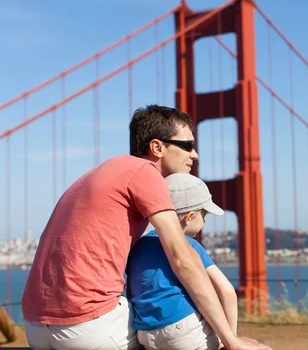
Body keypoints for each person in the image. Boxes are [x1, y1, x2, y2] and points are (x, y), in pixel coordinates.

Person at [21, 105, 270, 350]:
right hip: (89, 327)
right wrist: (232, 341)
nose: (195, 155)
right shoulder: (145, 174)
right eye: (187, 145)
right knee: (186, 336)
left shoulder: (99, 172)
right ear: (157, 147)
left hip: (35, 327)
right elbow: (184, 260)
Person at [127, 173, 238, 350]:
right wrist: (231, 340)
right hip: (183, 328)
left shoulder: (139, 245)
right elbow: (227, 291)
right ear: (189, 217)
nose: (205, 222)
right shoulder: (189, 245)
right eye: (204, 216)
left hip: (145, 333)